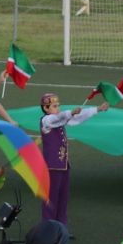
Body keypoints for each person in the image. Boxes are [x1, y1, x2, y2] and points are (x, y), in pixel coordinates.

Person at [37, 92, 101, 226]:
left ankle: (61, 226)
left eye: (58, 106)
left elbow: (78, 118)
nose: (57, 108)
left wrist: (97, 109)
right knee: (50, 198)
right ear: (45, 108)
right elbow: (58, 118)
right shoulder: (46, 121)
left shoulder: (59, 120)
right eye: (54, 106)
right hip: (52, 167)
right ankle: (48, 227)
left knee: (63, 197)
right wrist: (70, 112)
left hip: (64, 165)